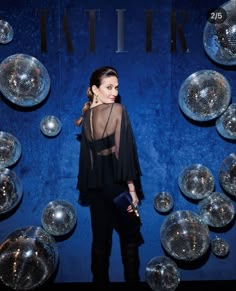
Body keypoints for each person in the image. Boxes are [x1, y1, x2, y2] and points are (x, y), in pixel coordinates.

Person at [75, 66, 144, 290]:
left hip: (96, 189)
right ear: (95, 89)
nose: (114, 92)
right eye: (109, 87)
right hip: (117, 187)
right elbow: (122, 154)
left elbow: (92, 160)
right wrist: (132, 191)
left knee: (101, 241)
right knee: (131, 237)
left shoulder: (86, 117)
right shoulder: (117, 110)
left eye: (116, 87)